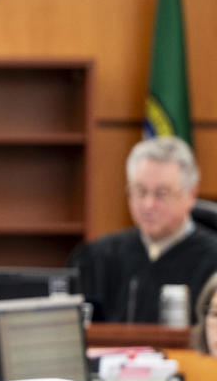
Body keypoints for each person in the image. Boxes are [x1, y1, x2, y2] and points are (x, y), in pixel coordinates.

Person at [69, 136, 217, 324]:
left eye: (161, 194)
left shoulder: (213, 260)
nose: (148, 205)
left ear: (191, 195)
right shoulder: (98, 257)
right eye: (140, 191)